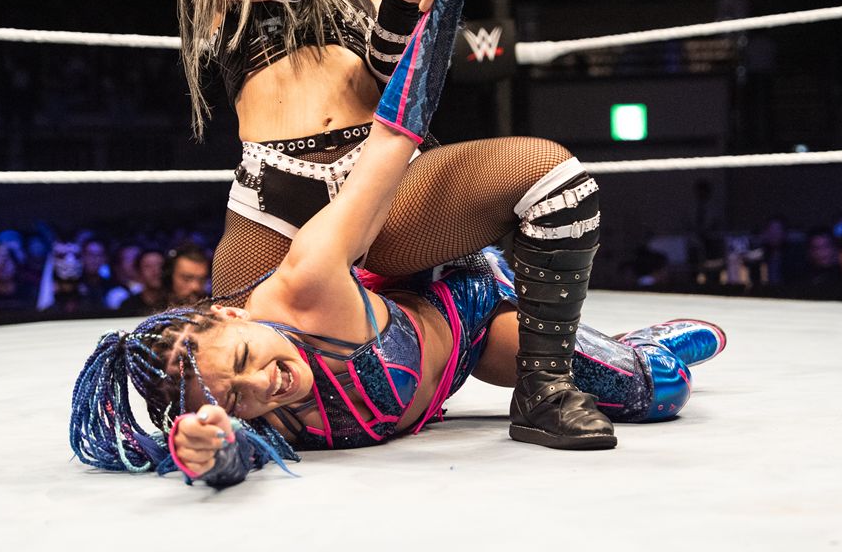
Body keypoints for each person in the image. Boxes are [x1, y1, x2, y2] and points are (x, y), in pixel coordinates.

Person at [70, 46, 727, 486]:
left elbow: (388, 147)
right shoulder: (255, 415)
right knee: (644, 388)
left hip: (466, 302)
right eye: (236, 397)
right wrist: (214, 454)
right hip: (450, 366)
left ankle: (648, 344)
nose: (264, 383)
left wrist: (434, 22)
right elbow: (242, 455)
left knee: (655, 391)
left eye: (245, 358)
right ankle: (620, 344)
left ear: (235, 314)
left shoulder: (306, 286)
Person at [176, 0, 621, 449]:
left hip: (383, 189)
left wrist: (402, 3)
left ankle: (545, 390)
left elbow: (385, 82)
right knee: (229, 375)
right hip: (275, 198)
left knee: (559, 189)